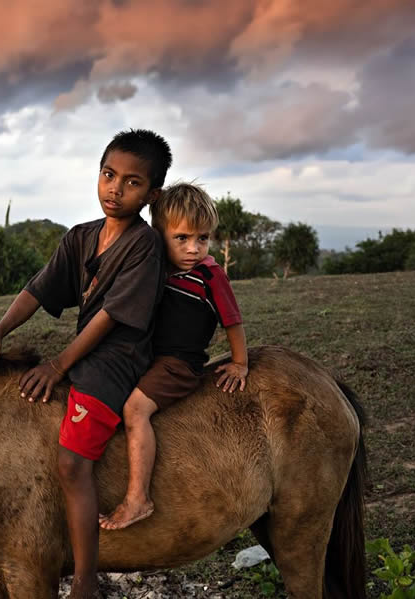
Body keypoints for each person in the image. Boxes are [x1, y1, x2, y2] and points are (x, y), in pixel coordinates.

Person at [0, 129, 172, 599]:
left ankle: (85, 579)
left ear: (152, 194)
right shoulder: (81, 237)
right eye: (108, 175)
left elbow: (109, 317)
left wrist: (59, 365)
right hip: (89, 352)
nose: (115, 190)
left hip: (118, 359)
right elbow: (39, 288)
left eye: (131, 183)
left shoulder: (144, 246)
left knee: (71, 463)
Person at [98, 182, 248, 531]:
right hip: (148, 357)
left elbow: (233, 321)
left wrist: (240, 362)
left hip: (177, 365)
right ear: (159, 234)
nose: (194, 249)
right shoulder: (158, 271)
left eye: (203, 238)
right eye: (182, 238)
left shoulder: (211, 276)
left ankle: (138, 498)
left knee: (135, 411)